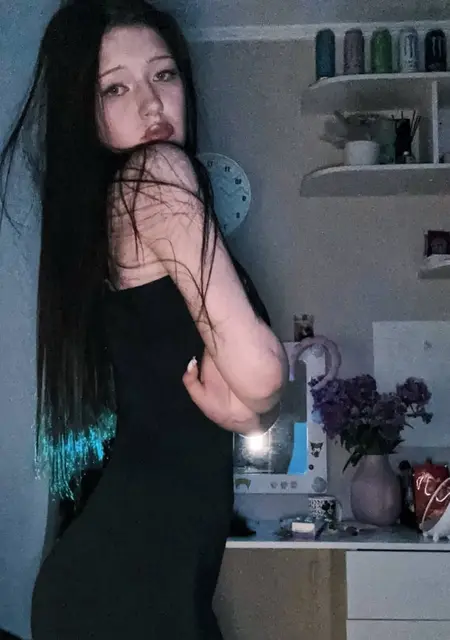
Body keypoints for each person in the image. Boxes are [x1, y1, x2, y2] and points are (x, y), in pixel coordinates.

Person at [0, 0, 287, 637]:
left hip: (123, 583)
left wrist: (255, 410)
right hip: (130, 588)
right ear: (85, 112)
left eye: (164, 75)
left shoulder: (107, 219)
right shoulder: (155, 177)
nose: (152, 103)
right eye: (115, 88)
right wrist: (260, 405)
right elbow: (261, 374)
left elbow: (227, 392)